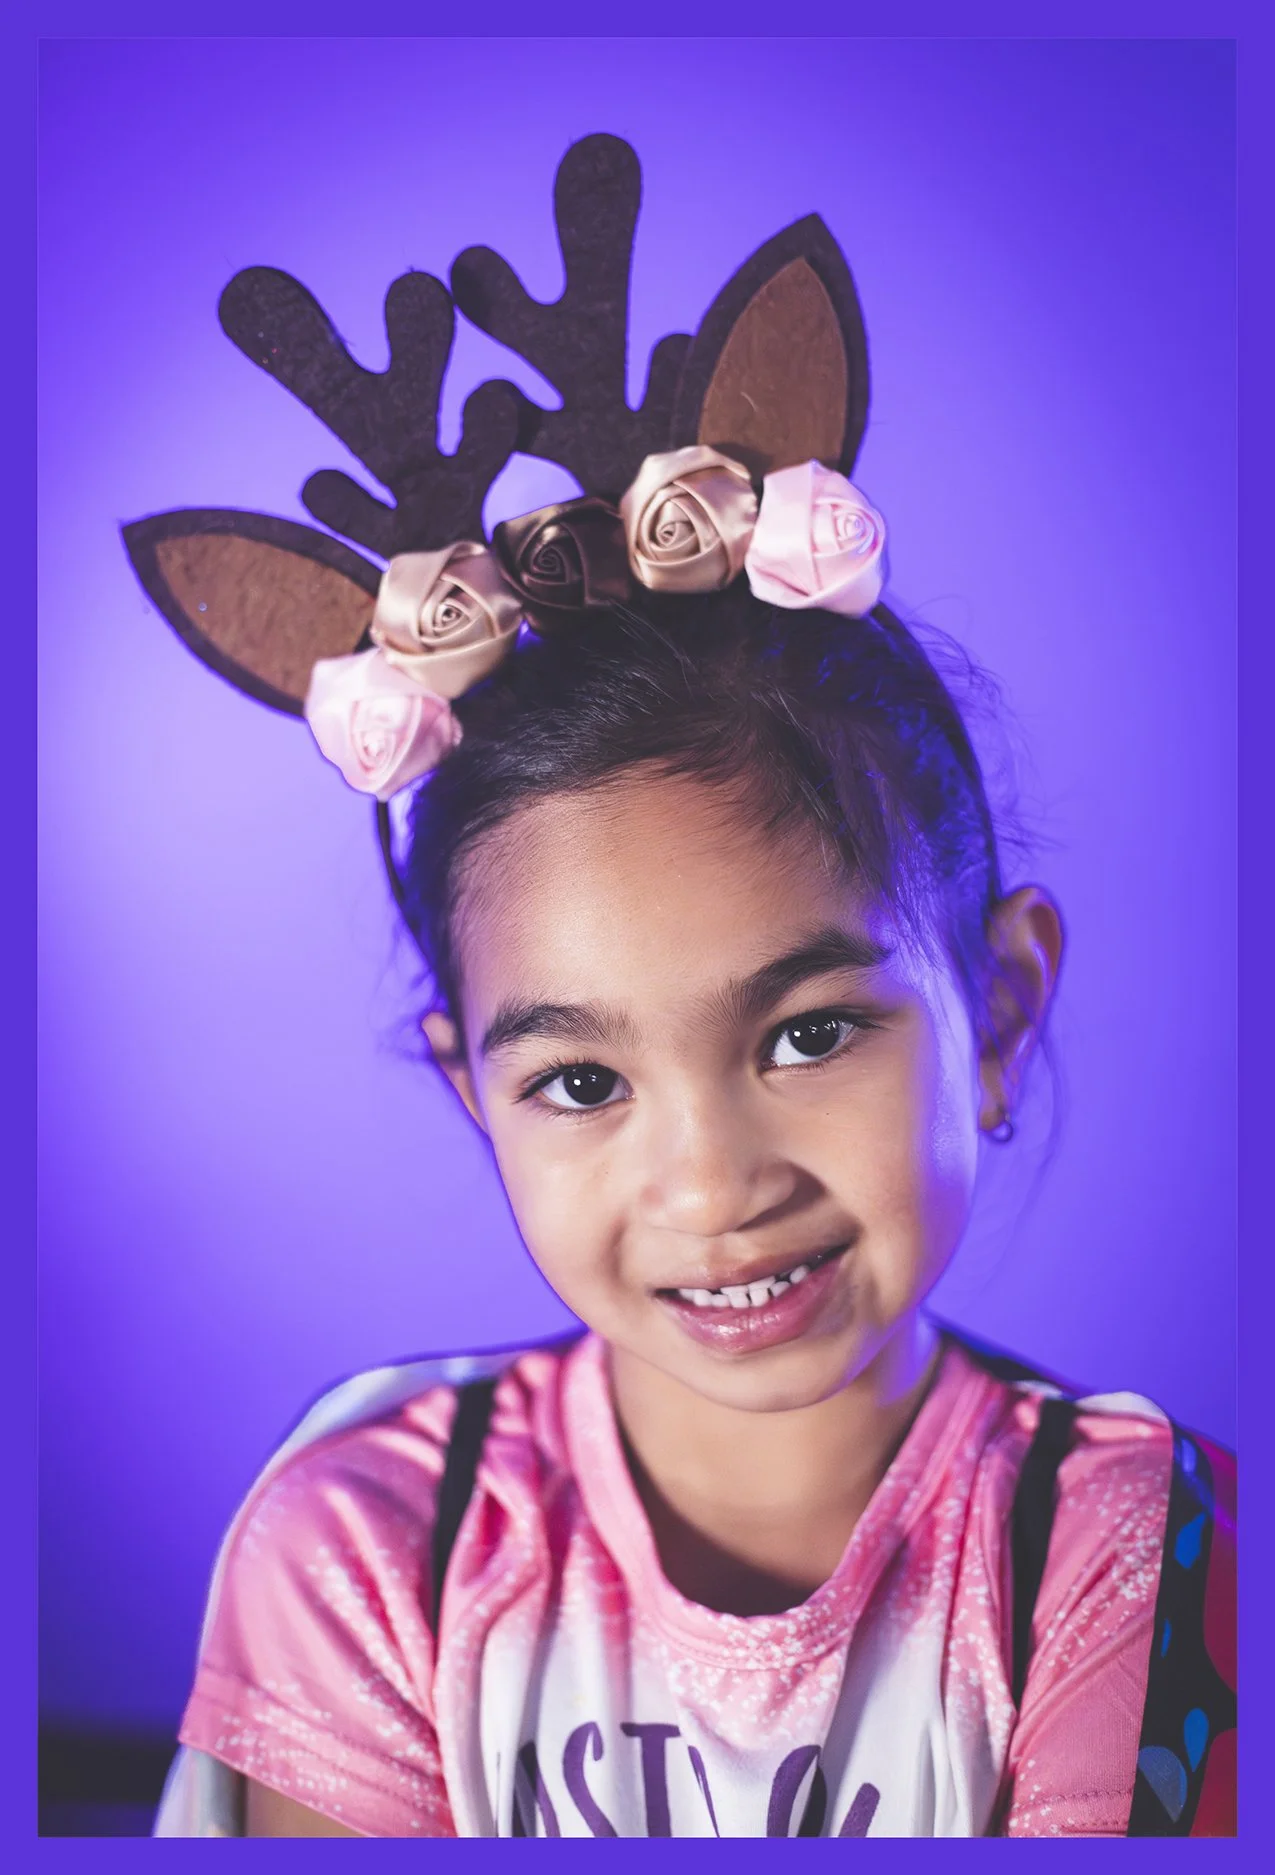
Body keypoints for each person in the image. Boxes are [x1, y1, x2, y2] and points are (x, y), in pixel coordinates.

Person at [127, 135, 1235, 1839]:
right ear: (468, 1096)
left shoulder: (1120, 1552)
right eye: (579, 1081)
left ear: (999, 1010)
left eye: (807, 1031)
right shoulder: (366, 1547)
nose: (711, 1185)